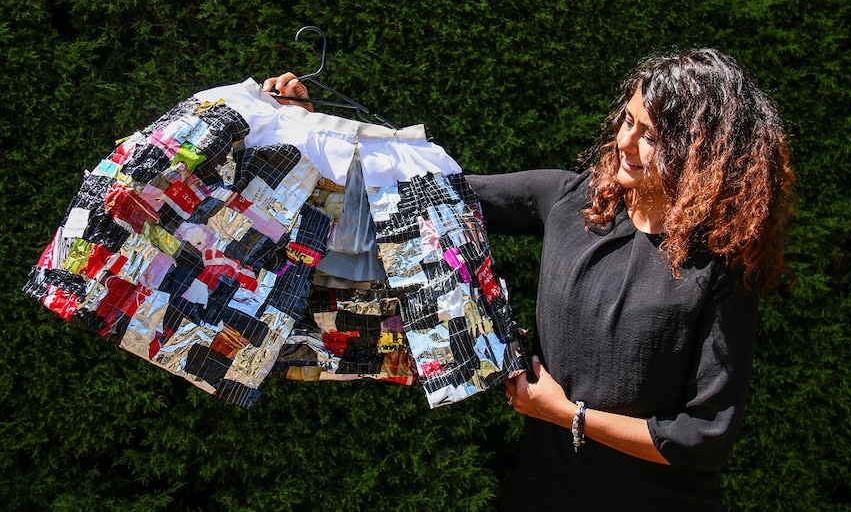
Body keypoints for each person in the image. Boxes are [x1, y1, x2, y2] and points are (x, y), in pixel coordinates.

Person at [263, 47, 795, 511]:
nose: (625, 141)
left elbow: (703, 438)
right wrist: (311, 131)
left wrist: (566, 414)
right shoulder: (572, 202)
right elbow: (418, 196)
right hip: (544, 493)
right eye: (627, 119)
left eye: (649, 134)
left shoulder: (720, 266)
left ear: (698, 152)